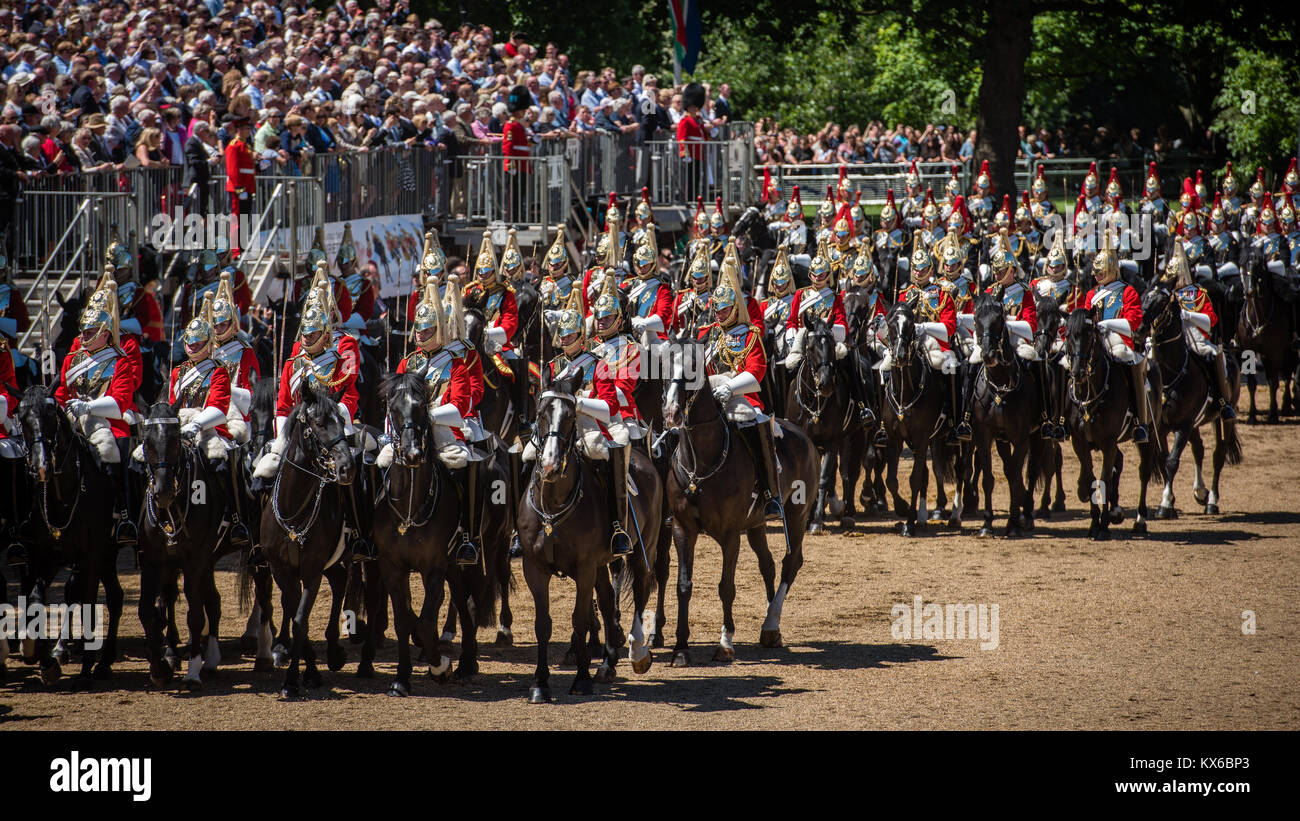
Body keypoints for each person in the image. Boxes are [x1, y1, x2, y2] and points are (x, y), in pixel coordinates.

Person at [381, 276, 483, 566]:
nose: (420, 335)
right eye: (418, 329)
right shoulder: (406, 363)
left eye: (427, 330)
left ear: (439, 330)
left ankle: (467, 534)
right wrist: (393, 431)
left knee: (463, 464)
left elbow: (461, 405)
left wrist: (425, 418)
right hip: (409, 430)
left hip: (442, 428)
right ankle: (368, 531)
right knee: (377, 464)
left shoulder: (455, 364)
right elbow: (392, 404)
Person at [54, 270, 141, 546]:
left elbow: (121, 401)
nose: (85, 335)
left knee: (117, 449)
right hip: (72, 418)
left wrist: (88, 407)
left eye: (91, 331)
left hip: (107, 419)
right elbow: (60, 393)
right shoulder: (72, 358)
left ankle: (123, 509)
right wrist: (60, 409)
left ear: (105, 333)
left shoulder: (121, 359)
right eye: (84, 331)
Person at [700, 248, 785, 521]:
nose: (719, 313)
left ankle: (769, 490)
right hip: (711, 394)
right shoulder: (709, 335)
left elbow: (756, 372)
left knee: (752, 421)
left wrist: (731, 388)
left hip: (742, 397)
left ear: (735, 308)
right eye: (717, 308)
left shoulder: (750, 335)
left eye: (724, 309)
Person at [1082, 229, 1150, 443]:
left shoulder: (1127, 291)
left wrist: (1107, 324)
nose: (1095, 275)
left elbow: (1134, 321)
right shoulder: (1091, 294)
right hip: (1095, 339)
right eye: (1095, 272)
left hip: (1117, 339)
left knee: (1125, 356)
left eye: (1099, 271)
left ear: (1110, 268)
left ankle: (1139, 420)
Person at [1165, 239, 1236, 420]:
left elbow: (1209, 321)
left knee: (1212, 354)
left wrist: (1189, 316)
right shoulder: (1165, 295)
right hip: (1172, 339)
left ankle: (1222, 401)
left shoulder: (1198, 293)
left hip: (1195, 336)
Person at [224, 117, 256, 255]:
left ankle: (242, 245)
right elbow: (232, 169)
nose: (248, 131)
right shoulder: (234, 145)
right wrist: (239, 188)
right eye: (246, 129)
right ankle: (236, 249)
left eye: (249, 129)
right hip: (240, 187)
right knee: (237, 218)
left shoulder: (245, 145)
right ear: (239, 130)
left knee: (245, 217)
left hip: (247, 185)